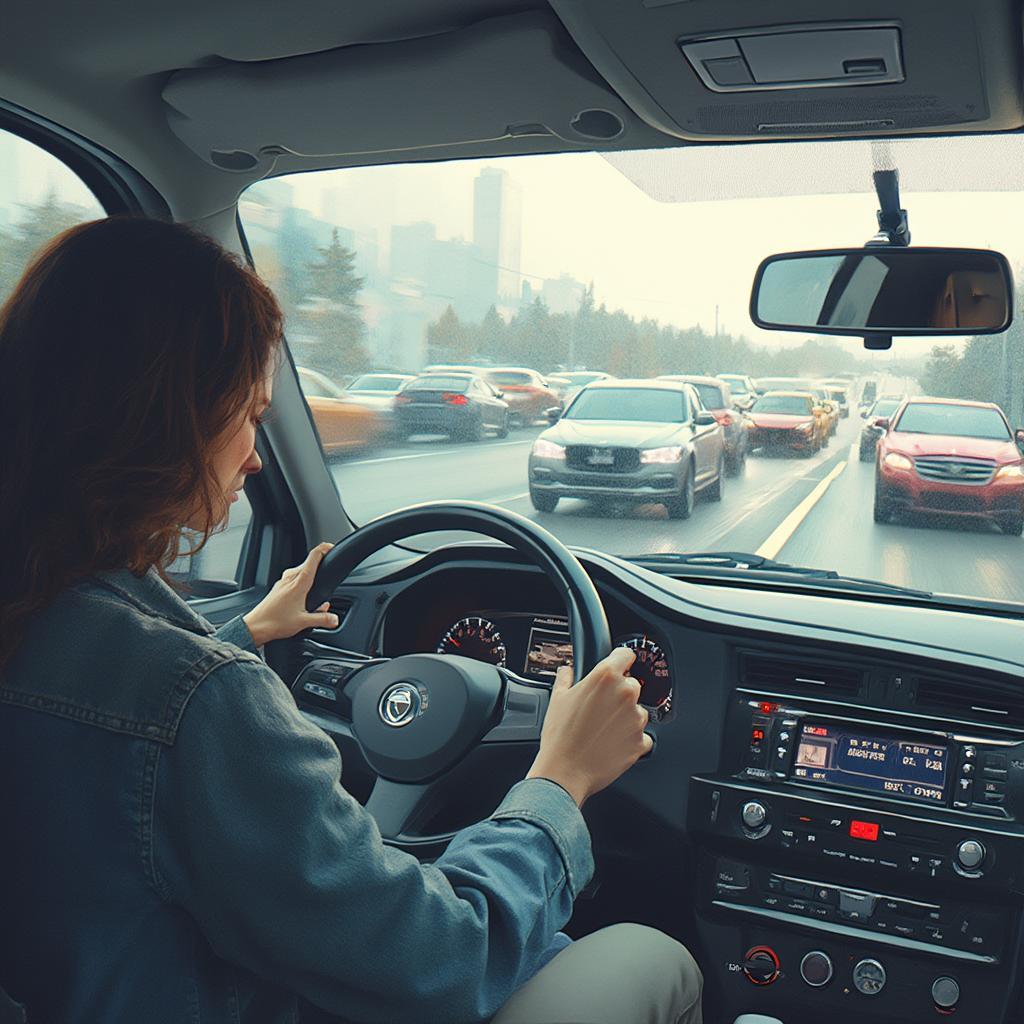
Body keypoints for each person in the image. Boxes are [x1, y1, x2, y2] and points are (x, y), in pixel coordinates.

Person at [0, 218, 703, 1024]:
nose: (257, 457)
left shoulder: (60, 626)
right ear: (163, 421)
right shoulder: (197, 703)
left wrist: (239, 640)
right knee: (652, 955)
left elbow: (119, 743)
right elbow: (444, 961)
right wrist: (560, 777)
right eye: (248, 415)